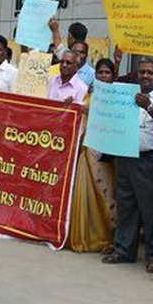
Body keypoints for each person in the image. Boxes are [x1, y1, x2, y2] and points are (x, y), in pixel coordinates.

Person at [101, 57, 153, 271]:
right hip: (125, 156)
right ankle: (124, 250)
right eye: (142, 72)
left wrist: (150, 106)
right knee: (126, 206)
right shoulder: (127, 94)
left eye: (150, 72)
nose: (145, 76)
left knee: (152, 209)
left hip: (151, 159)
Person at [67, 58, 118, 252]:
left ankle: (110, 238)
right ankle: (86, 235)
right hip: (88, 151)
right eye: (100, 73)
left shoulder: (118, 97)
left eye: (107, 73)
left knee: (108, 196)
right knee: (86, 195)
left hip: (108, 154)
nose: (104, 76)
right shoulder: (89, 95)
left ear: (113, 75)